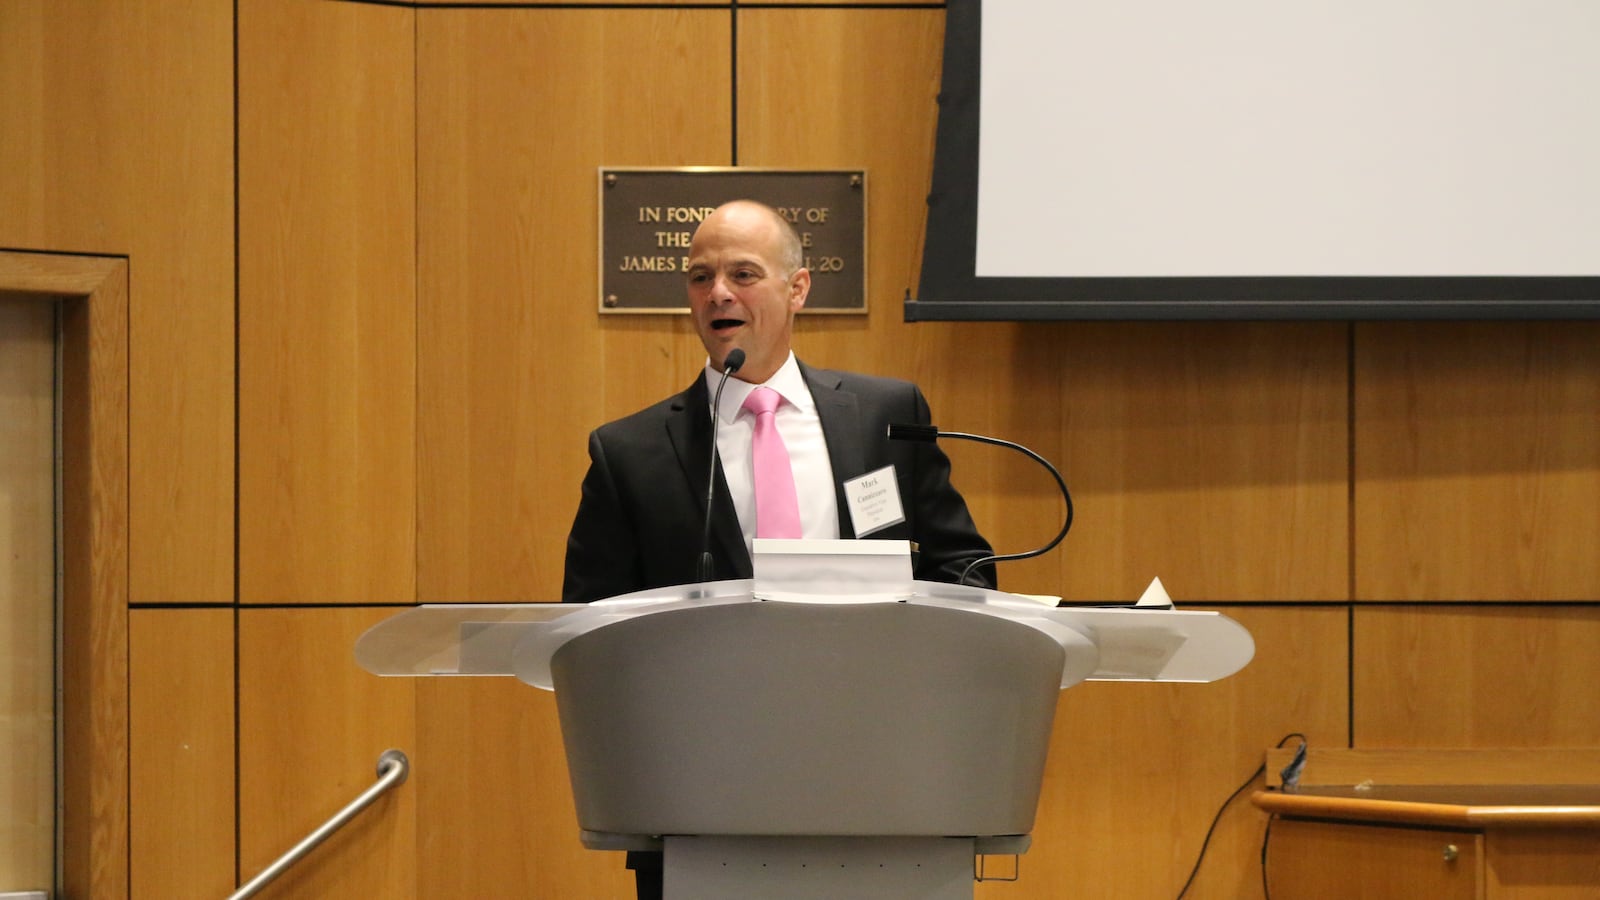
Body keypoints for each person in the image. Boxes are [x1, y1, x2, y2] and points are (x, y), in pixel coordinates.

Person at [560, 199, 995, 899]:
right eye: (700, 278)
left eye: (743, 273)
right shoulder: (630, 453)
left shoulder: (885, 417)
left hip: (885, 782)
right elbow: (588, 627)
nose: (718, 294)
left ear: (798, 289)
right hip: (701, 799)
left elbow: (965, 568)